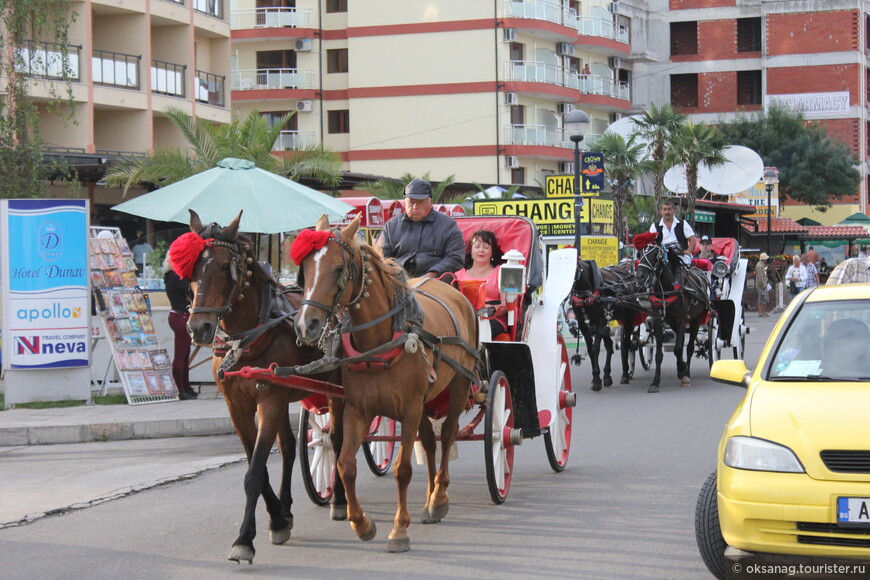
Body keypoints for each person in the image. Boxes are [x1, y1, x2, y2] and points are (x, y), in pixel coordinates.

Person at [378, 178, 465, 279]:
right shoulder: (391, 226)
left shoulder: (448, 225)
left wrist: (433, 273)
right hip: (399, 281)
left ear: (430, 202)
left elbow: (455, 257)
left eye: (420, 202)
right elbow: (383, 257)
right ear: (404, 203)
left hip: (437, 280)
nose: (415, 207)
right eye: (411, 202)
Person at [454, 230, 508, 337]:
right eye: (477, 246)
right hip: (464, 317)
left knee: (476, 330)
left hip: (493, 318)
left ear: (492, 252)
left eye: (486, 247)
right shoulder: (458, 275)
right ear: (471, 251)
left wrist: (487, 310)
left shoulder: (501, 272)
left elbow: (505, 306)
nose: (481, 250)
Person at [163, 257, 197, 400]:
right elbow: (192, 292)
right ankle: (180, 388)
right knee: (181, 355)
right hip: (181, 316)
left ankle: (186, 386)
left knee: (184, 354)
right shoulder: (176, 276)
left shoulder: (172, 276)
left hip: (180, 315)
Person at [755, 253, 770, 317]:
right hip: (762, 285)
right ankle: (760, 312)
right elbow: (760, 277)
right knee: (761, 298)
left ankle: (763, 312)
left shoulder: (761, 265)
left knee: (764, 299)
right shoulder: (759, 266)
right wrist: (763, 284)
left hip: (764, 284)